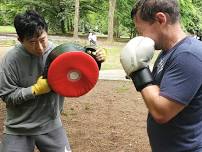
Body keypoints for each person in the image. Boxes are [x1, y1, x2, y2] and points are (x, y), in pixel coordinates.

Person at [0, 10, 106, 152]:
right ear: (20, 39)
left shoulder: (59, 53)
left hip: (51, 125)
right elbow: (7, 96)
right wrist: (34, 90)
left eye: (42, 39)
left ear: (46, 33)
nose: (40, 47)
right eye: (32, 42)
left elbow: (82, 71)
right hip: (19, 128)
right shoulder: (10, 60)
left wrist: (97, 59)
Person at [120, 0, 202, 151]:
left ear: (160, 19)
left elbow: (161, 111)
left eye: (141, 31)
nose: (141, 37)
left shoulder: (188, 55)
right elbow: (156, 91)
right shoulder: (167, 52)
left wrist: (137, 70)